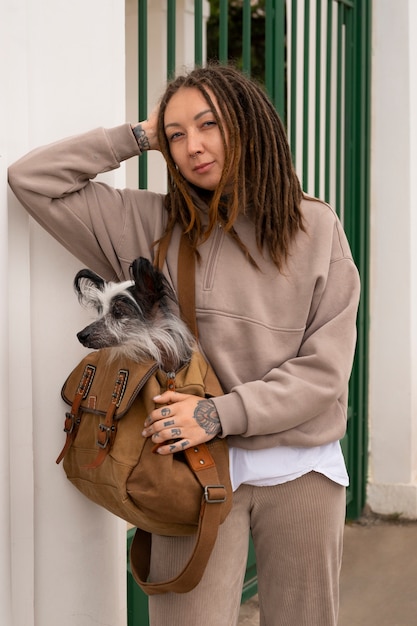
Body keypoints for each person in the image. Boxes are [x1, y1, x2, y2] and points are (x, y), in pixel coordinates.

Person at [8, 63, 360, 626]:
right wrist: (138, 136)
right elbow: (31, 180)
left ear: (247, 124)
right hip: (183, 473)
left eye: (208, 124)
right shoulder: (150, 223)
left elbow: (325, 370)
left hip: (301, 472)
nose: (192, 146)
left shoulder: (315, 229)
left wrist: (220, 414)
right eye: (176, 135)